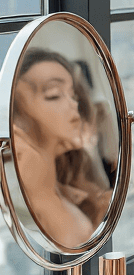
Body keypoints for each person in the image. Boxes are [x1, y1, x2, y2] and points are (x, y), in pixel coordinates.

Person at [12, 49, 111, 249]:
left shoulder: (67, 180)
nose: (74, 104)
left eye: (73, 94)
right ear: (16, 115)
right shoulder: (23, 191)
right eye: (54, 95)